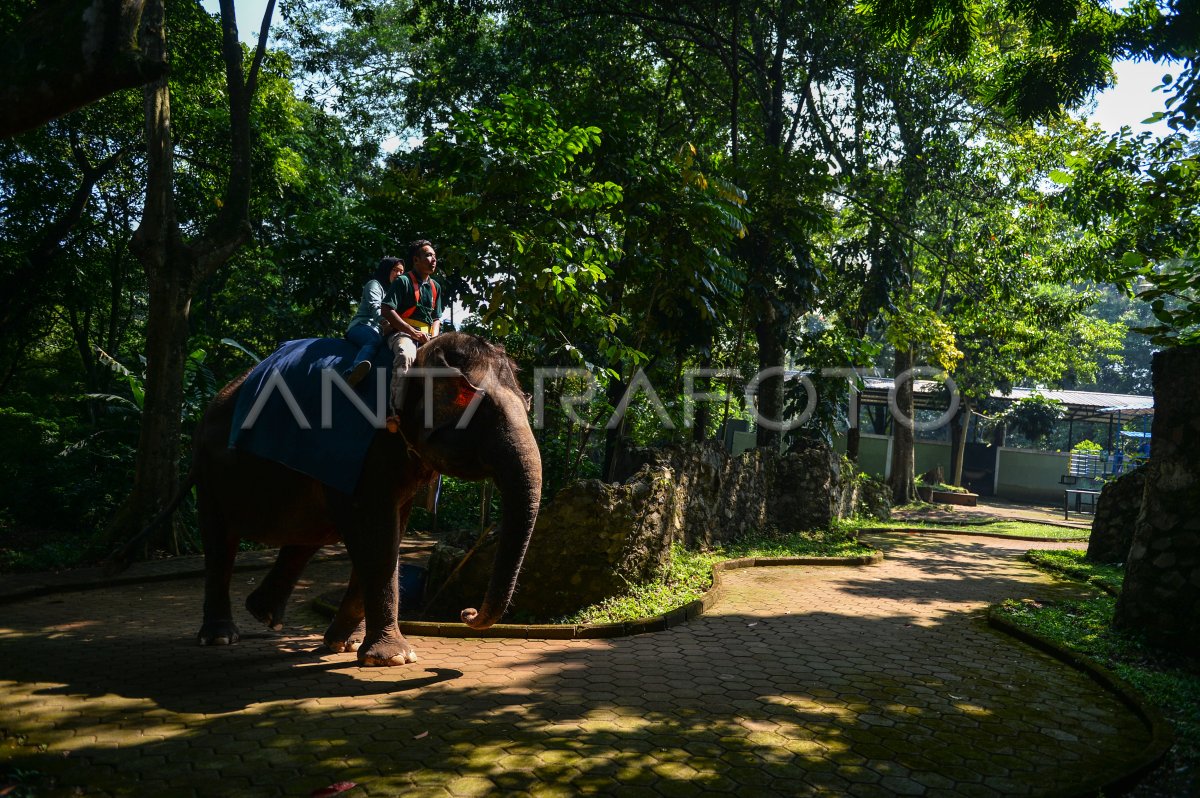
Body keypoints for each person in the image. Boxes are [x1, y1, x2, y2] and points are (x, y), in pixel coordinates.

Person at [381, 239, 445, 421]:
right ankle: (394, 412)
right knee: (405, 355)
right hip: (402, 333)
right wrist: (413, 332)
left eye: (434, 256)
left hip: (428, 336)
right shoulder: (403, 281)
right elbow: (386, 309)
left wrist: (434, 337)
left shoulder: (435, 287)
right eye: (428, 255)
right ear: (416, 260)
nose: (433, 259)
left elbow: (436, 318)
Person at [343, 256, 405, 387]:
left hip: (381, 331)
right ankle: (352, 372)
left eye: (401, 272)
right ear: (386, 270)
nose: (399, 274)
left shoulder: (394, 294)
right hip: (362, 326)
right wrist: (385, 322)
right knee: (373, 341)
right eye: (395, 270)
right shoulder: (374, 284)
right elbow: (375, 307)